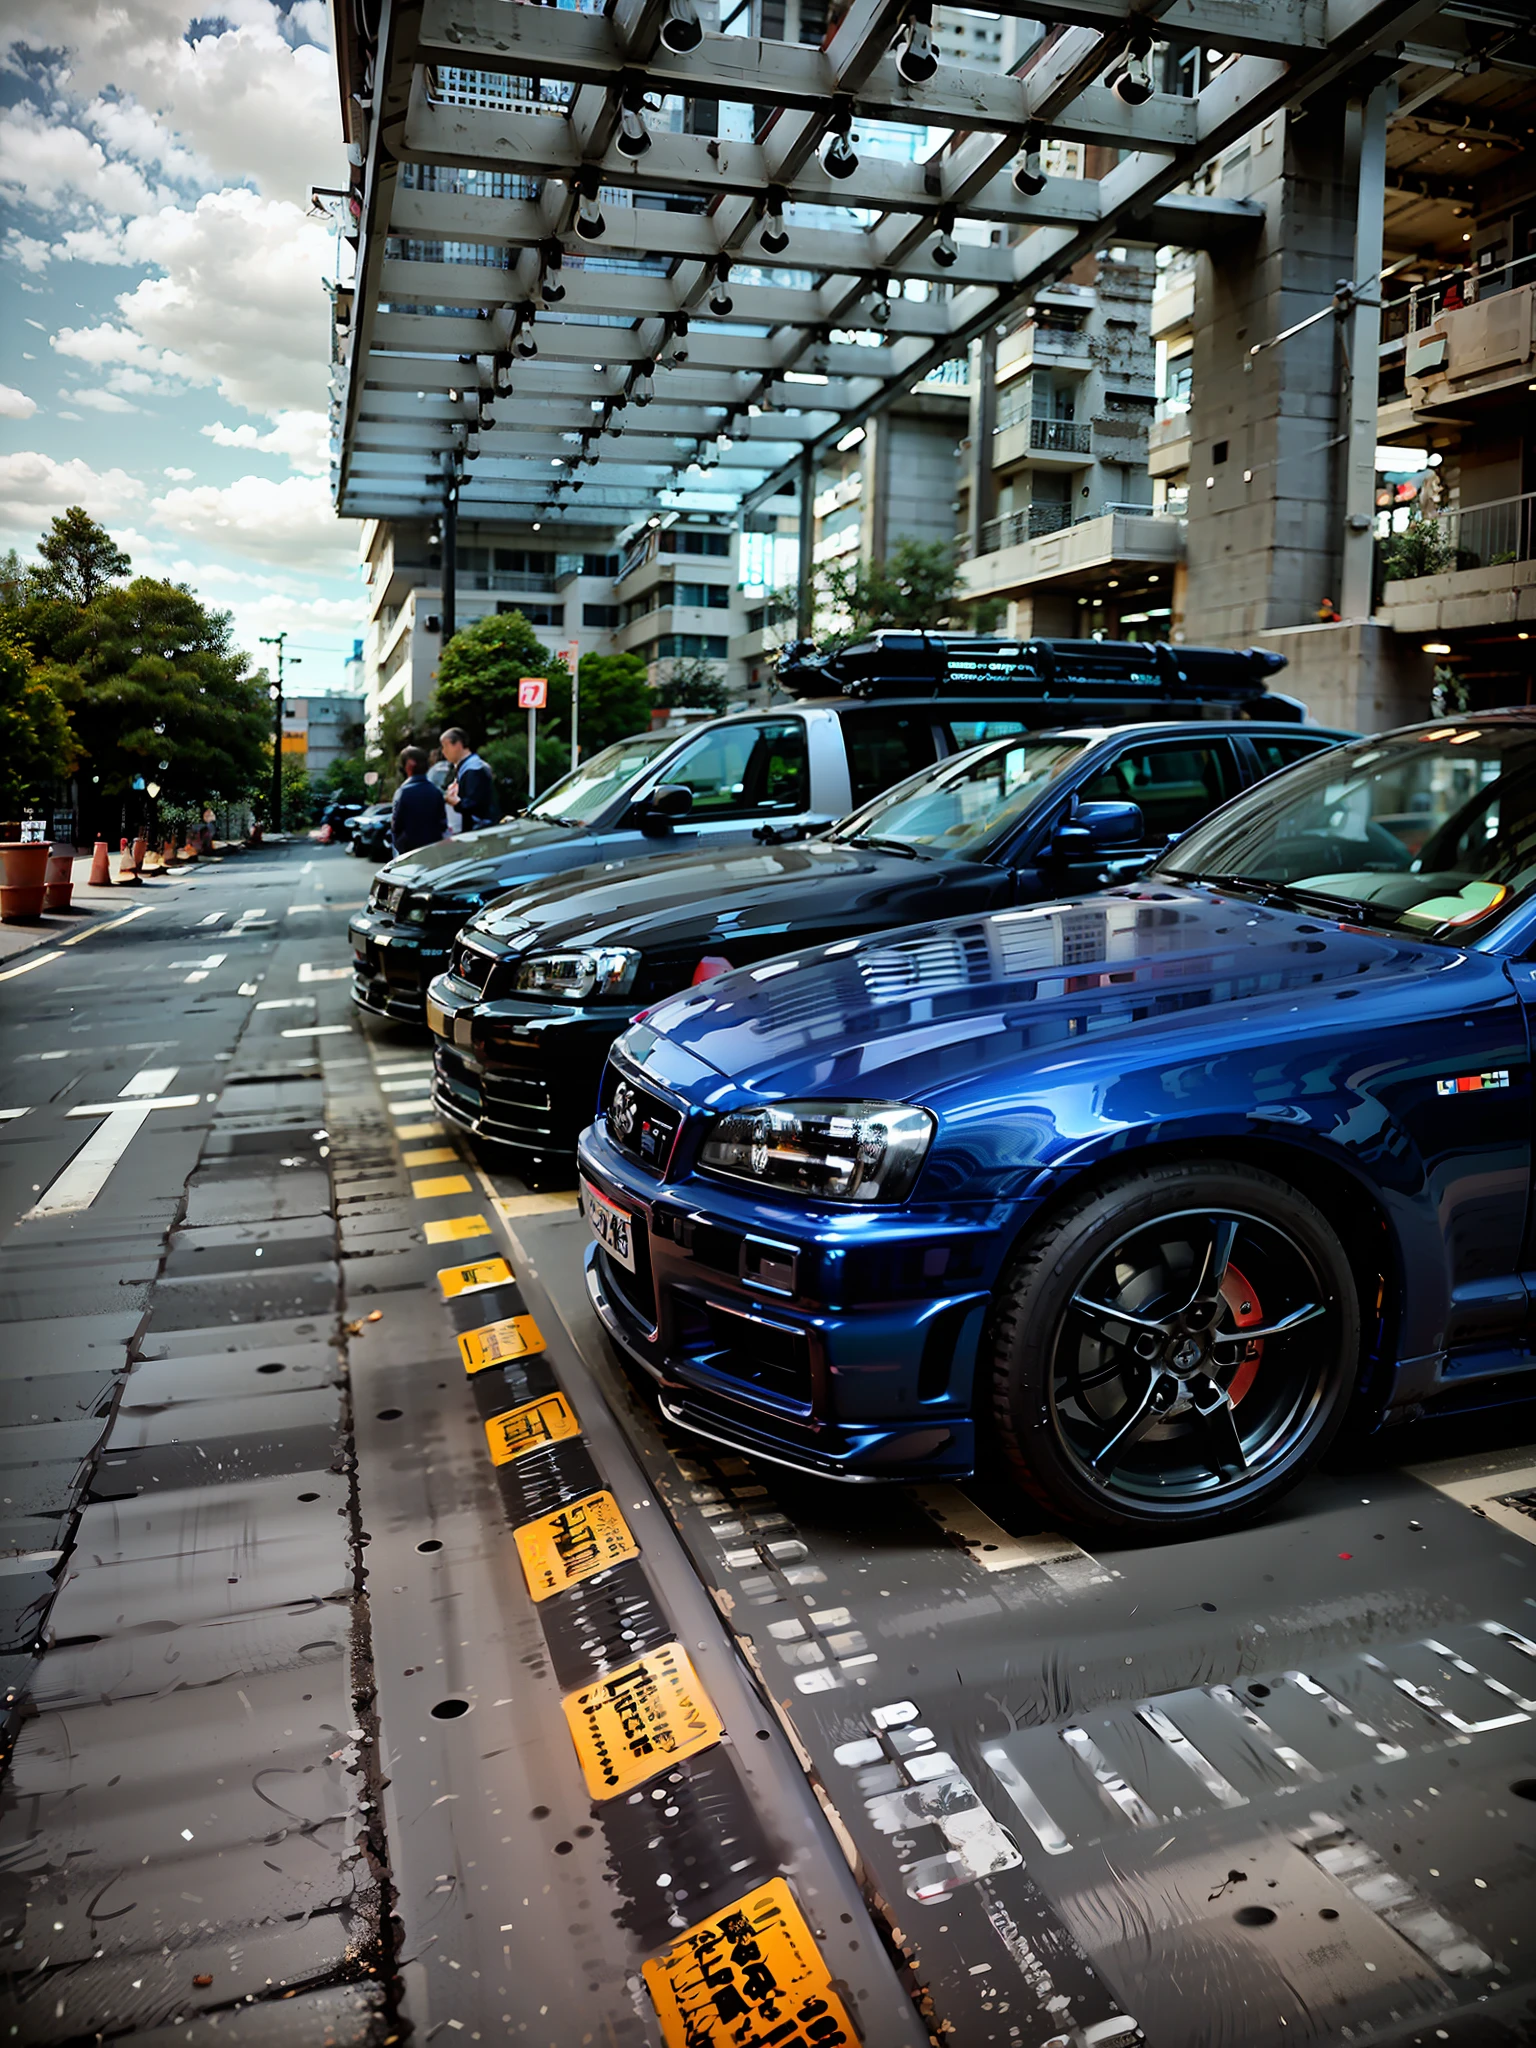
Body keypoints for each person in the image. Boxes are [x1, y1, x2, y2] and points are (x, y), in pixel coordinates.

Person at [391, 746, 449, 854]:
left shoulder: (402, 793)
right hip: (434, 851)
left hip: (409, 854)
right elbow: (443, 824)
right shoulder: (436, 792)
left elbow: (396, 827)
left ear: (408, 766)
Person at [439, 727, 498, 833]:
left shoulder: (474, 768)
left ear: (458, 744)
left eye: (445, 746)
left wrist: (456, 802)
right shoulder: (467, 766)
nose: (443, 751)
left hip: (482, 830)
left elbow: (473, 804)